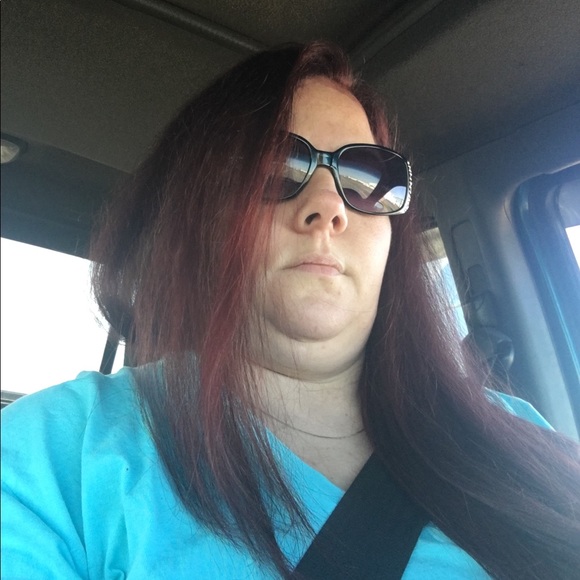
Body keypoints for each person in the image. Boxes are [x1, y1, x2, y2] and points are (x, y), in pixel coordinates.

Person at [2, 42, 580, 579]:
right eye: (275, 169)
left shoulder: (519, 432)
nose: (329, 207)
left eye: (367, 179)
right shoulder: (57, 453)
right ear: (196, 217)